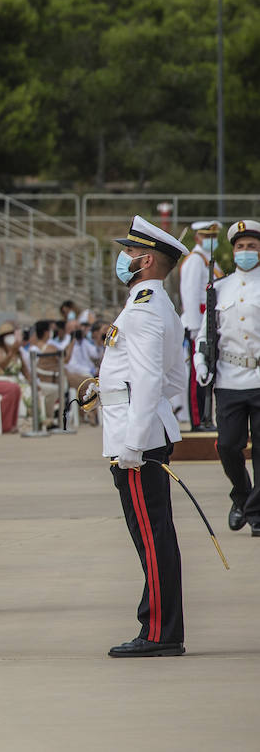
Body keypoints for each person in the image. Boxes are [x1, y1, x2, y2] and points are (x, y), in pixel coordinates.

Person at [98, 216, 189, 657]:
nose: (124, 258)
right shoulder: (158, 305)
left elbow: (154, 378)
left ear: (146, 259)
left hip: (136, 440)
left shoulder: (143, 307)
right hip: (143, 428)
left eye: (130, 253)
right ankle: (162, 626)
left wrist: (133, 442)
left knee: (152, 536)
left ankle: (159, 632)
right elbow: (176, 376)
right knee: (155, 533)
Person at [194, 219, 260, 537]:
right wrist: (201, 359)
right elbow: (206, 332)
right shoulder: (219, 288)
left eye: (252, 246)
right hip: (230, 378)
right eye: (240, 247)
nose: (245, 252)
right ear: (233, 251)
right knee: (228, 445)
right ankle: (243, 496)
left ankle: (256, 513)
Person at [178, 220, 222, 431]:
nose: (211, 241)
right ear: (197, 238)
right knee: (198, 373)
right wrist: (196, 327)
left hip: (211, 321)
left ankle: (206, 418)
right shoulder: (195, 261)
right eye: (207, 236)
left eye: (214, 237)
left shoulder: (208, 261)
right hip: (199, 323)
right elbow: (189, 295)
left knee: (208, 373)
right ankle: (198, 420)